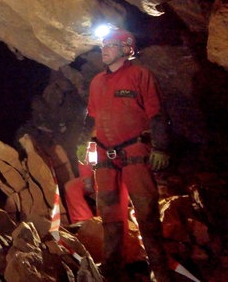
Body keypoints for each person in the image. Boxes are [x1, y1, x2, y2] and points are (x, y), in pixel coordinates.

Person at [86, 28, 172, 282]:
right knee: (110, 215)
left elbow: (157, 114)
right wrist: (83, 141)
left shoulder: (141, 75)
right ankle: (113, 272)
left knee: (146, 213)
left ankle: (160, 272)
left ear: (127, 49)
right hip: (104, 155)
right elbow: (90, 116)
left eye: (110, 45)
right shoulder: (96, 81)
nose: (104, 49)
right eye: (102, 45)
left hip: (135, 151)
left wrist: (161, 147)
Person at [64, 143, 96, 226]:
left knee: (102, 187)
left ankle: (105, 220)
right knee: (71, 187)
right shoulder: (86, 142)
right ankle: (83, 220)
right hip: (92, 177)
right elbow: (84, 159)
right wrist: (87, 178)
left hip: (109, 176)